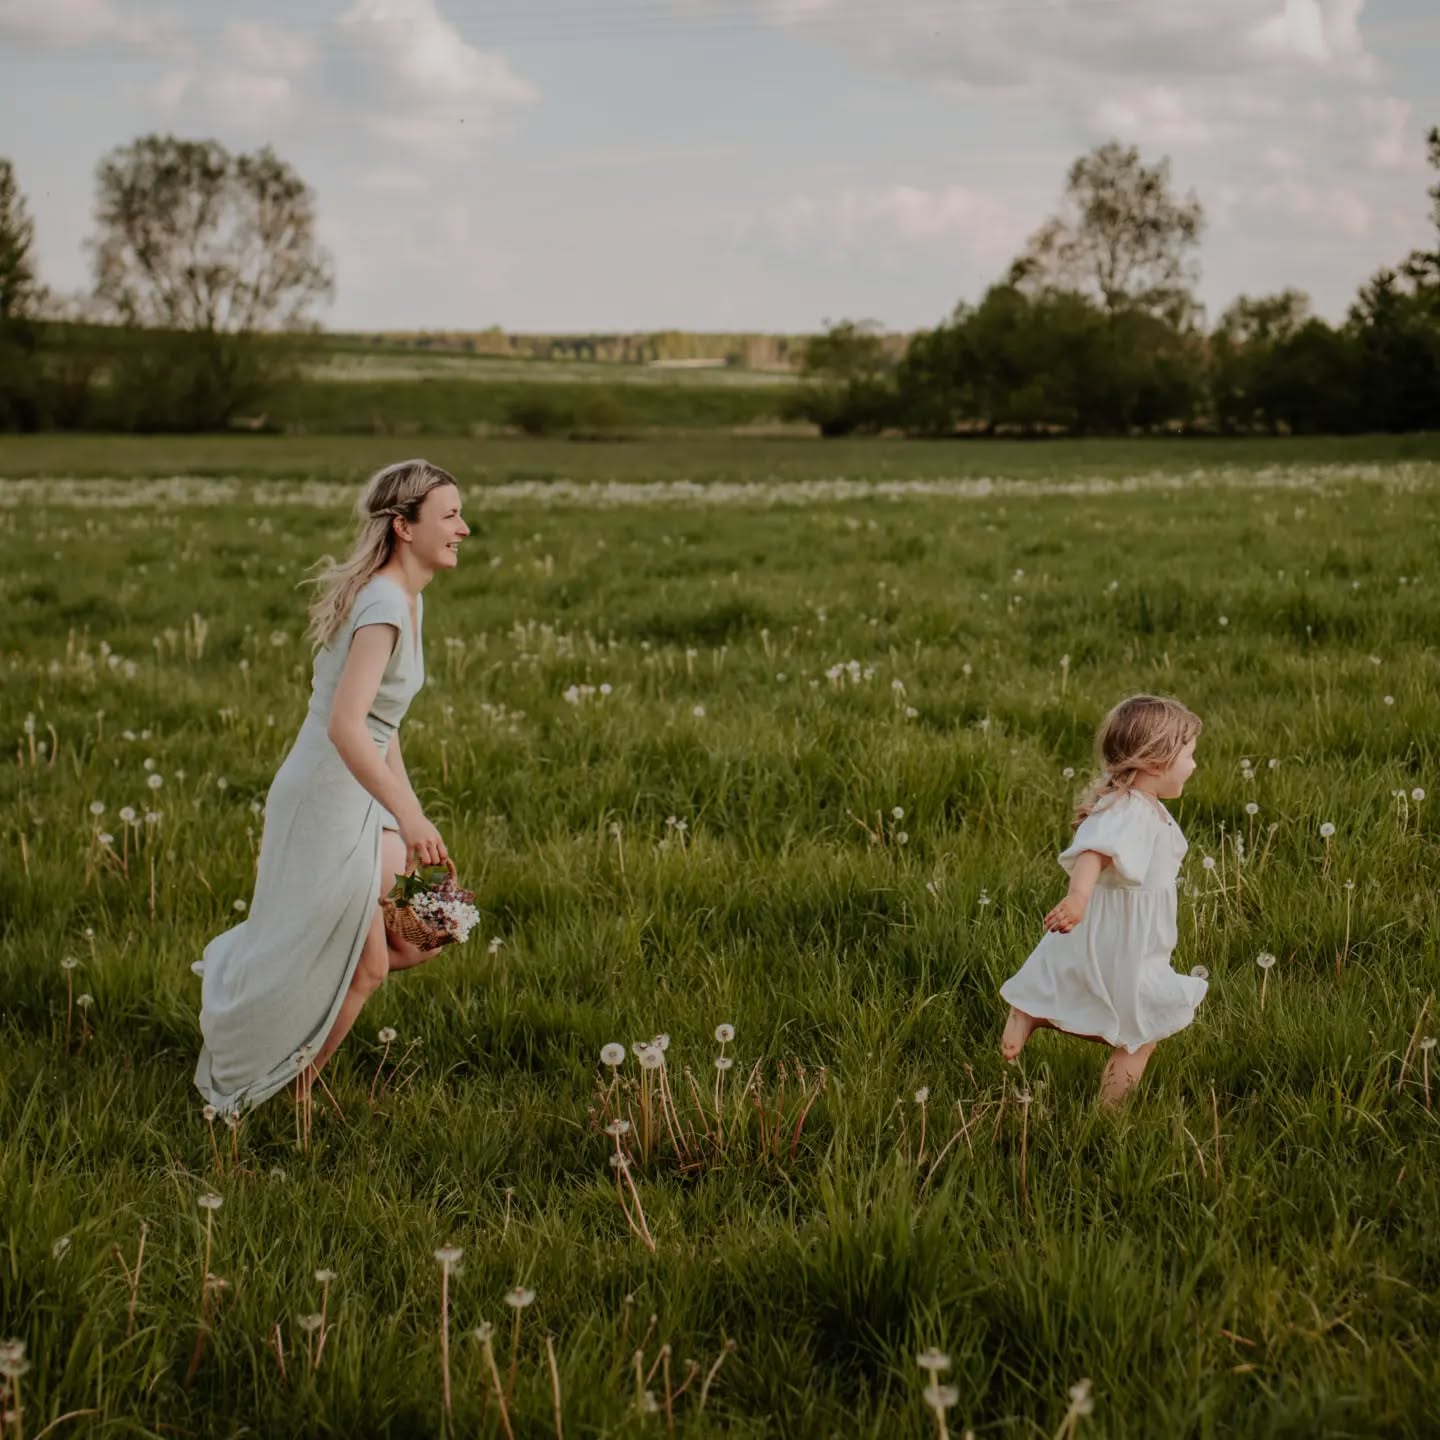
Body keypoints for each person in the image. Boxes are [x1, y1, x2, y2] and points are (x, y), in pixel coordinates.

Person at [194, 458, 468, 1113]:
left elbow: (381, 725)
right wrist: (407, 817)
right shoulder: (383, 604)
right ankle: (288, 1089)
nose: (463, 528)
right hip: (324, 803)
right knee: (368, 965)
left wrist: (410, 812)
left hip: (357, 800)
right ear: (404, 527)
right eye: (451, 516)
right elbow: (346, 727)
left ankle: (286, 1005)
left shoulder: (407, 597)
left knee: (427, 932)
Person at [998, 694, 1208, 1107]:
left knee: (1119, 1019)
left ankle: (1034, 1011)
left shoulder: (1143, 805)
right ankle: (1110, 1115)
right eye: (1189, 755)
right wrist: (1077, 898)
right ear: (1155, 762)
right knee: (1142, 1031)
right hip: (1123, 938)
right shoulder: (1130, 810)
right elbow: (1093, 851)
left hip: (1134, 938)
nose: (1194, 765)